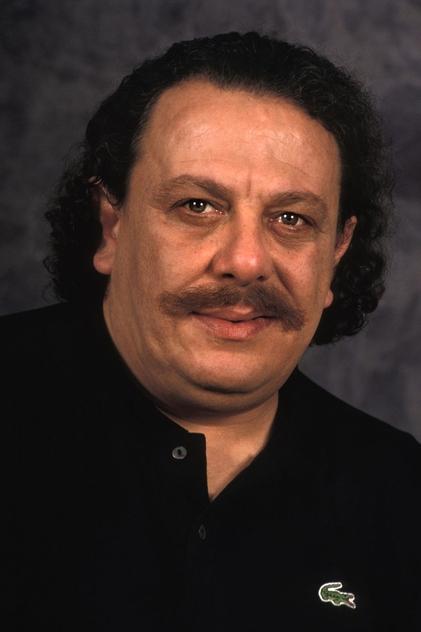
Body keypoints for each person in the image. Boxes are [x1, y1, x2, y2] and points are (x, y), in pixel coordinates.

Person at [4, 31, 420, 631]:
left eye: (291, 218)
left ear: (336, 252)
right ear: (112, 226)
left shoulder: (400, 493)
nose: (246, 261)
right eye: (198, 206)